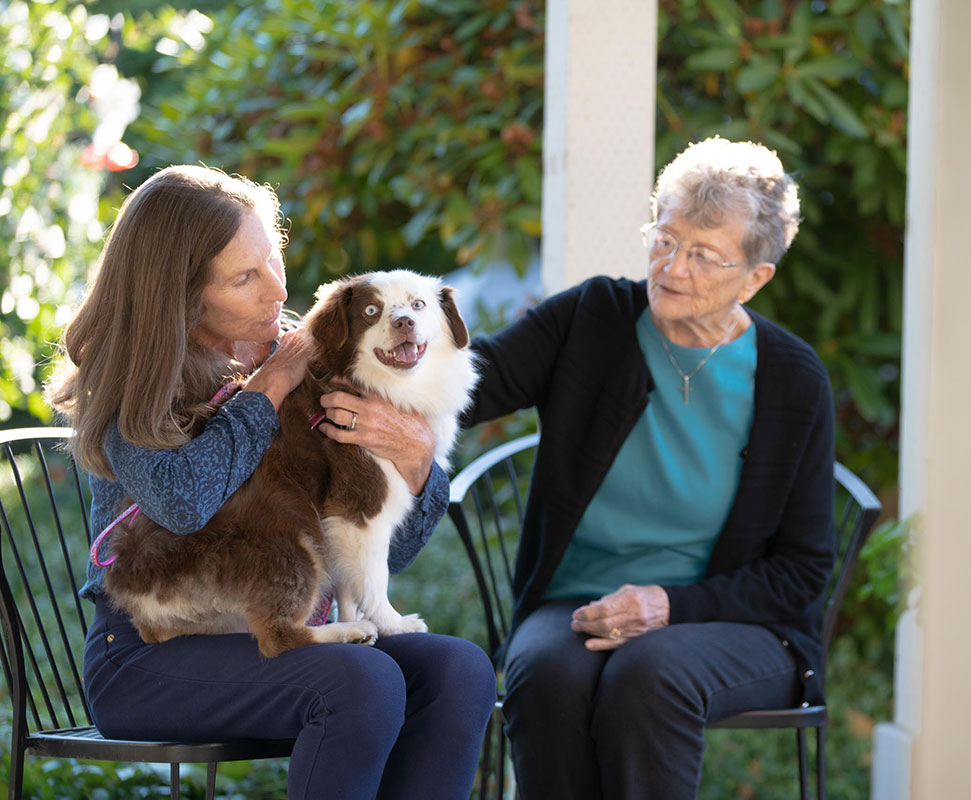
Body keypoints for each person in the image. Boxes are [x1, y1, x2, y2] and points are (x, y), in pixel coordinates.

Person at [46, 165, 496, 800]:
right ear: (182, 294)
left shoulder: (306, 355)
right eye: (245, 277)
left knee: (458, 670)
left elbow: (379, 547)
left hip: (276, 619)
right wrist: (269, 391)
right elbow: (181, 503)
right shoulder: (136, 381)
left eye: (275, 259)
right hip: (155, 652)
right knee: (361, 681)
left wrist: (418, 463)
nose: (279, 290)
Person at [462, 137, 836, 799]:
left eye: (702, 254)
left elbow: (802, 569)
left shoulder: (793, 380)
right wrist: (360, 364)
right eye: (664, 239)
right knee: (546, 671)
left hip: (732, 624)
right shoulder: (594, 317)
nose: (671, 266)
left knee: (651, 672)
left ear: (755, 278)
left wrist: (673, 605)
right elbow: (472, 381)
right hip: (575, 601)